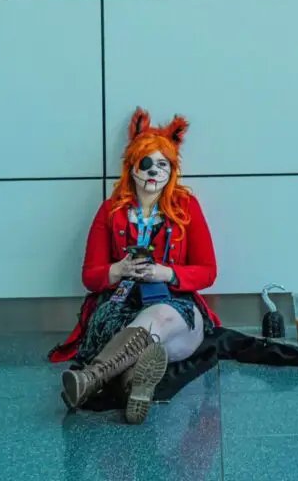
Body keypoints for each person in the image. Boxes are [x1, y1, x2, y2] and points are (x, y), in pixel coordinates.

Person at [50, 108, 220, 424]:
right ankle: (135, 385)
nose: (154, 171)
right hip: (119, 304)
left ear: (172, 171)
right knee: (134, 340)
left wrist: (167, 273)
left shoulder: (186, 208)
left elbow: (208, 271)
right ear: (132, 169)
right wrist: (119, 270)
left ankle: (90, 378)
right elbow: (90, 275)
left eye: (163, 164)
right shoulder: (110, 212)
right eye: (146, 164)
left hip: (173, 305)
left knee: (159, 319)